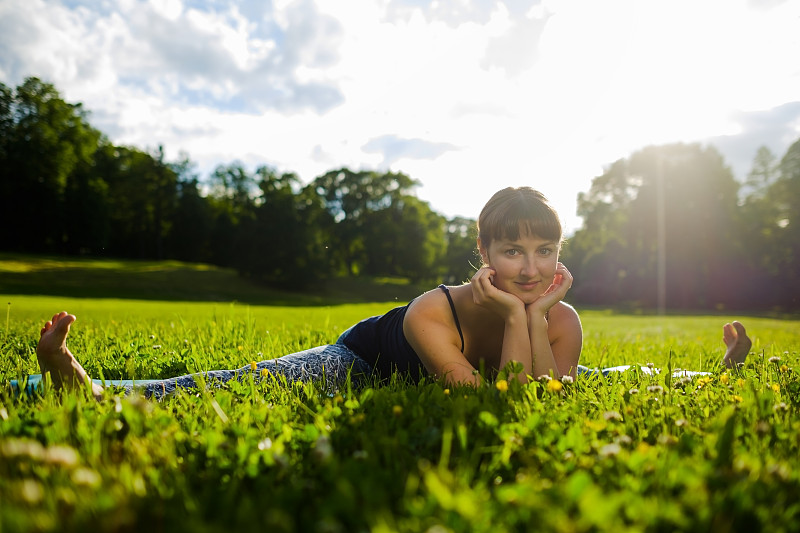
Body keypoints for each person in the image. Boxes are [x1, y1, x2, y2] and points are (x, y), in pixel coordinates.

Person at [20, 187, 752, 399]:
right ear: (483, 250)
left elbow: (544, 403)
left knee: (608, 377)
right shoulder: (437, 309)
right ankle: (88, 387)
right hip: (364, 361)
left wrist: (529, 314)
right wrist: (513, 313)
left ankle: (715, 374)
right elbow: (474, 395)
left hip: (515, 348)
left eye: (544, 250)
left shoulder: (560, 314)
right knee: (237, 383)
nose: (530, 266)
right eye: (511, 250)